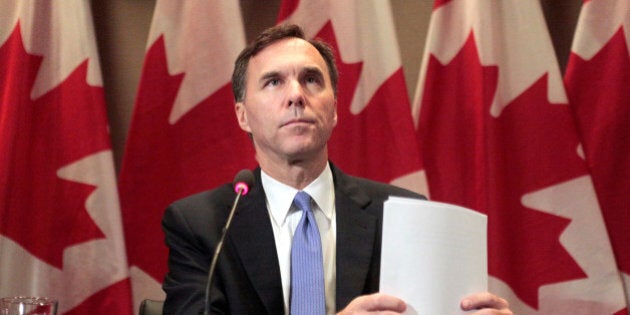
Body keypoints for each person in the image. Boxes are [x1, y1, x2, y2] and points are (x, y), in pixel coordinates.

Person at [162, 24, 512, 315]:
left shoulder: (400, 214)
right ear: (242, 115)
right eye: (274, 82)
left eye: (312, 79)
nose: (296, 95)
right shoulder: (202, 225)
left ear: (334, 110)